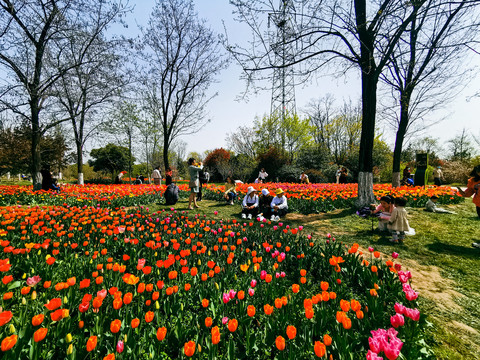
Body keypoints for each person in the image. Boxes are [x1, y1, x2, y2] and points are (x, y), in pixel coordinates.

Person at [457, 165, 480, 248]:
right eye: (478, 171)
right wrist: (463, 193)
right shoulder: (474, 181)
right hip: (479, 204)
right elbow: (469, 192)